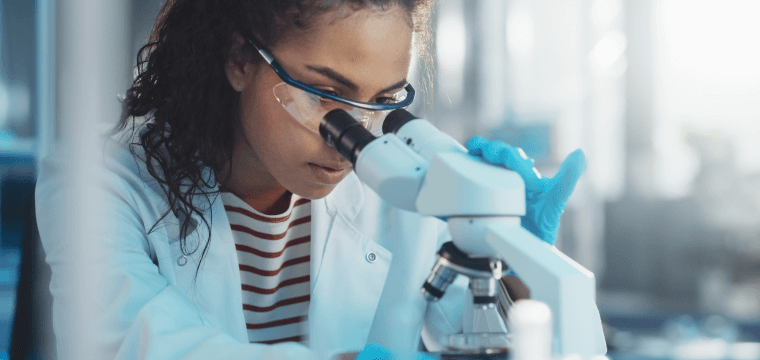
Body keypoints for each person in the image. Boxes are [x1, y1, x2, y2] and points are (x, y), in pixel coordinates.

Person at [35, 0, 599, 359]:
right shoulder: (98, 185)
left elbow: (475, 335)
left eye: (381, 102)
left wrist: (513, 257)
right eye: (326, 95)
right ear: (240, 60)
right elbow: (133, 345)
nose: (352, 136)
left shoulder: (394, 190)